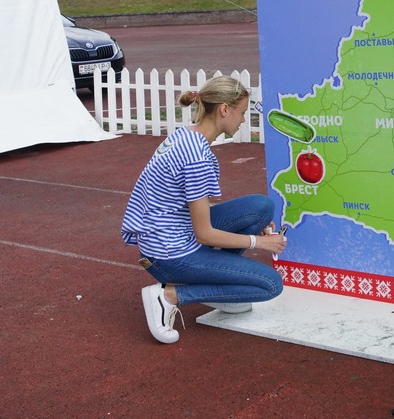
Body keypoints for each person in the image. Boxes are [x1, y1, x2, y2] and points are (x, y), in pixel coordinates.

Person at [121, 75, 287, 344]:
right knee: (271, 285)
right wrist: (259, 242)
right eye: (242, 112)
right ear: (224, 109)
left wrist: (251, 234)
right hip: (169, 255)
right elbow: (205, 234)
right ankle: (169, 296)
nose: (243, 120)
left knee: (261, 207)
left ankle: (219, 281)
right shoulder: (197, 158)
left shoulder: (185, 135)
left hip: (167, 235)